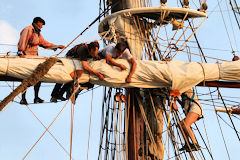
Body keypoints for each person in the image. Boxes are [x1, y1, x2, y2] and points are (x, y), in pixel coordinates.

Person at [17, 17, 65, 105]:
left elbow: (43, 43)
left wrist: (56, 46)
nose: (42, 26)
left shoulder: (37, 32)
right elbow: (22, 41)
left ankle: (36, 97)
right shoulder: (28, 29)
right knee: (25, 78)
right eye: (42, 24)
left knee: (38, 77)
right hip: (26, 57)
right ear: (38, 22)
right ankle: (23, 99)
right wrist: (21, 53)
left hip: (34, 58)